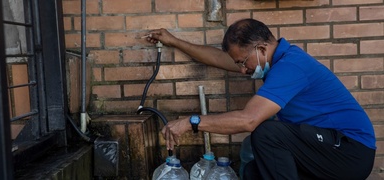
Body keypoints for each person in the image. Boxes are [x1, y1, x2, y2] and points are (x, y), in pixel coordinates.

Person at [145, 18, 376, 179]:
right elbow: (217, 57)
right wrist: (173, 41)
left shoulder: (291, 66)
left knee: (266, 133)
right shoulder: (273, 61)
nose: (243, 71)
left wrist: (190, 122)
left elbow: (248, 120)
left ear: (262, 49)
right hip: (324, 149)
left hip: (349, 152)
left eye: (243, 62)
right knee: (255, 172)